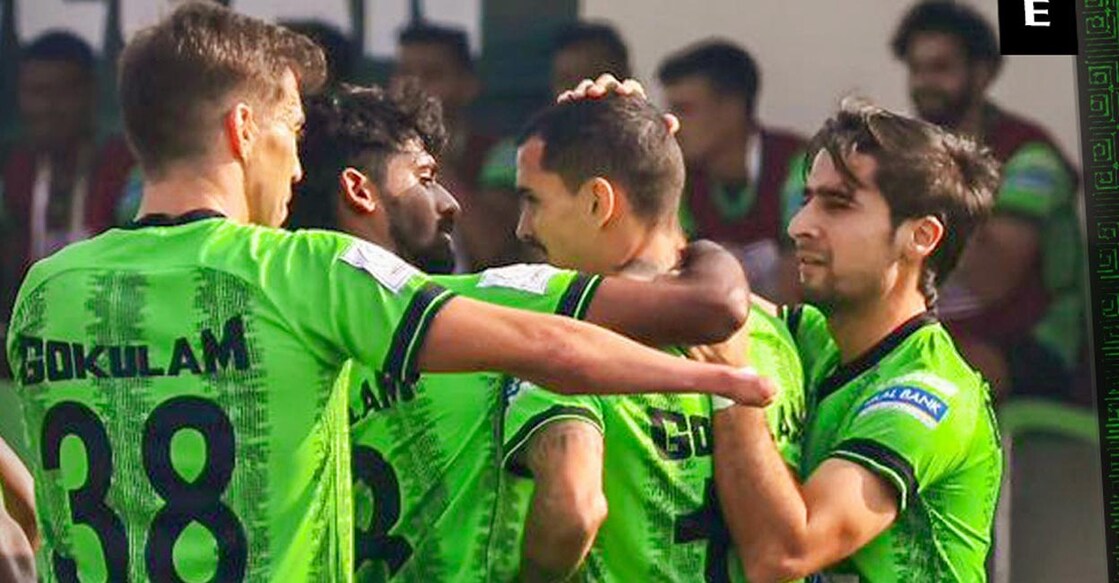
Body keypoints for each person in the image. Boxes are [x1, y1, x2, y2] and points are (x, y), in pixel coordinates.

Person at [3, 4, 773, 582]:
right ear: (243, 130)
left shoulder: (46, 289)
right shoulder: (305, 276)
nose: (294, 163)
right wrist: (713, 374)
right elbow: (557, 344)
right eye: (287, 128)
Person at [290, 81, 759, 581]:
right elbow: (715, 304)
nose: (450, 202)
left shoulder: (273, 307)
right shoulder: (486, 302)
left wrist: (624, 138)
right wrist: (660, 185)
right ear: (359, 190)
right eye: (425, 178)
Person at [501, 92, 805, 582]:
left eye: (533, 200)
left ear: (599, 201)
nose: (523, 228)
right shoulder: (774, 336)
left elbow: (571, 511)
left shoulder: (572, 348)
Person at [708, 99, 1002, 582]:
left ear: (921, 236)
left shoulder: (930, 392)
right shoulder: (816, 337)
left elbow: (785, 554)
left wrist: (731, 387)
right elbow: (699, 295)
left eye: (838, 204)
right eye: (807, 200)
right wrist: (623, 144)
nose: (798, 226)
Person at [892, 0, 1085, 400]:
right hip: (945, 333)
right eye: (917, 69)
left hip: (1038, 344)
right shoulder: (912, 155)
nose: (924, 82)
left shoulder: (1031, 158)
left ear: (983, 73)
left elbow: (991, 281)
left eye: (941, 68)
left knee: (923, 373)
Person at [1, 31, 134, 328]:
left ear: (90, 94)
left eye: (61, 93)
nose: (46, 108)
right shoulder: (13, 172)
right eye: (34, 92)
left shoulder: (124, 171)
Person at [656, 41, 807, 302]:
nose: (671, 123)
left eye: (685, 109)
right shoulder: (676, 178)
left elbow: (800, 277)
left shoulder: (798, 164)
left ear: (732, 109)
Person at [392, 23, 518, 272]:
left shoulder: (502, 153)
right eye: (405, 72)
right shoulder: (374, 155)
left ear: (468, 85)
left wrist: (427, 153)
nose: (413, 87)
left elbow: (490, 247)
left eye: (432, 75)